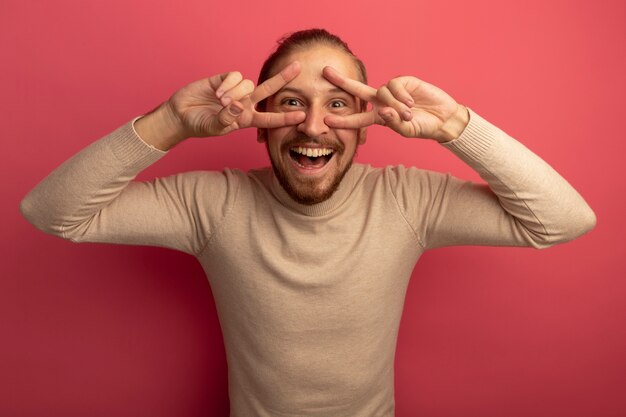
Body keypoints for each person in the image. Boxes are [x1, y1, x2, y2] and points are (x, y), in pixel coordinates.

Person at [20, 28, 596, 417]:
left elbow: (563, 221)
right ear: (260, 123)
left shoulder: (406, 199)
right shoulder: (211, 204)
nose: (314, 126)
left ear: (368, 124)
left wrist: (458, 127)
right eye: (292, 102)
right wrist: (170, 122)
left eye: (339, 104)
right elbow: (52, 214)